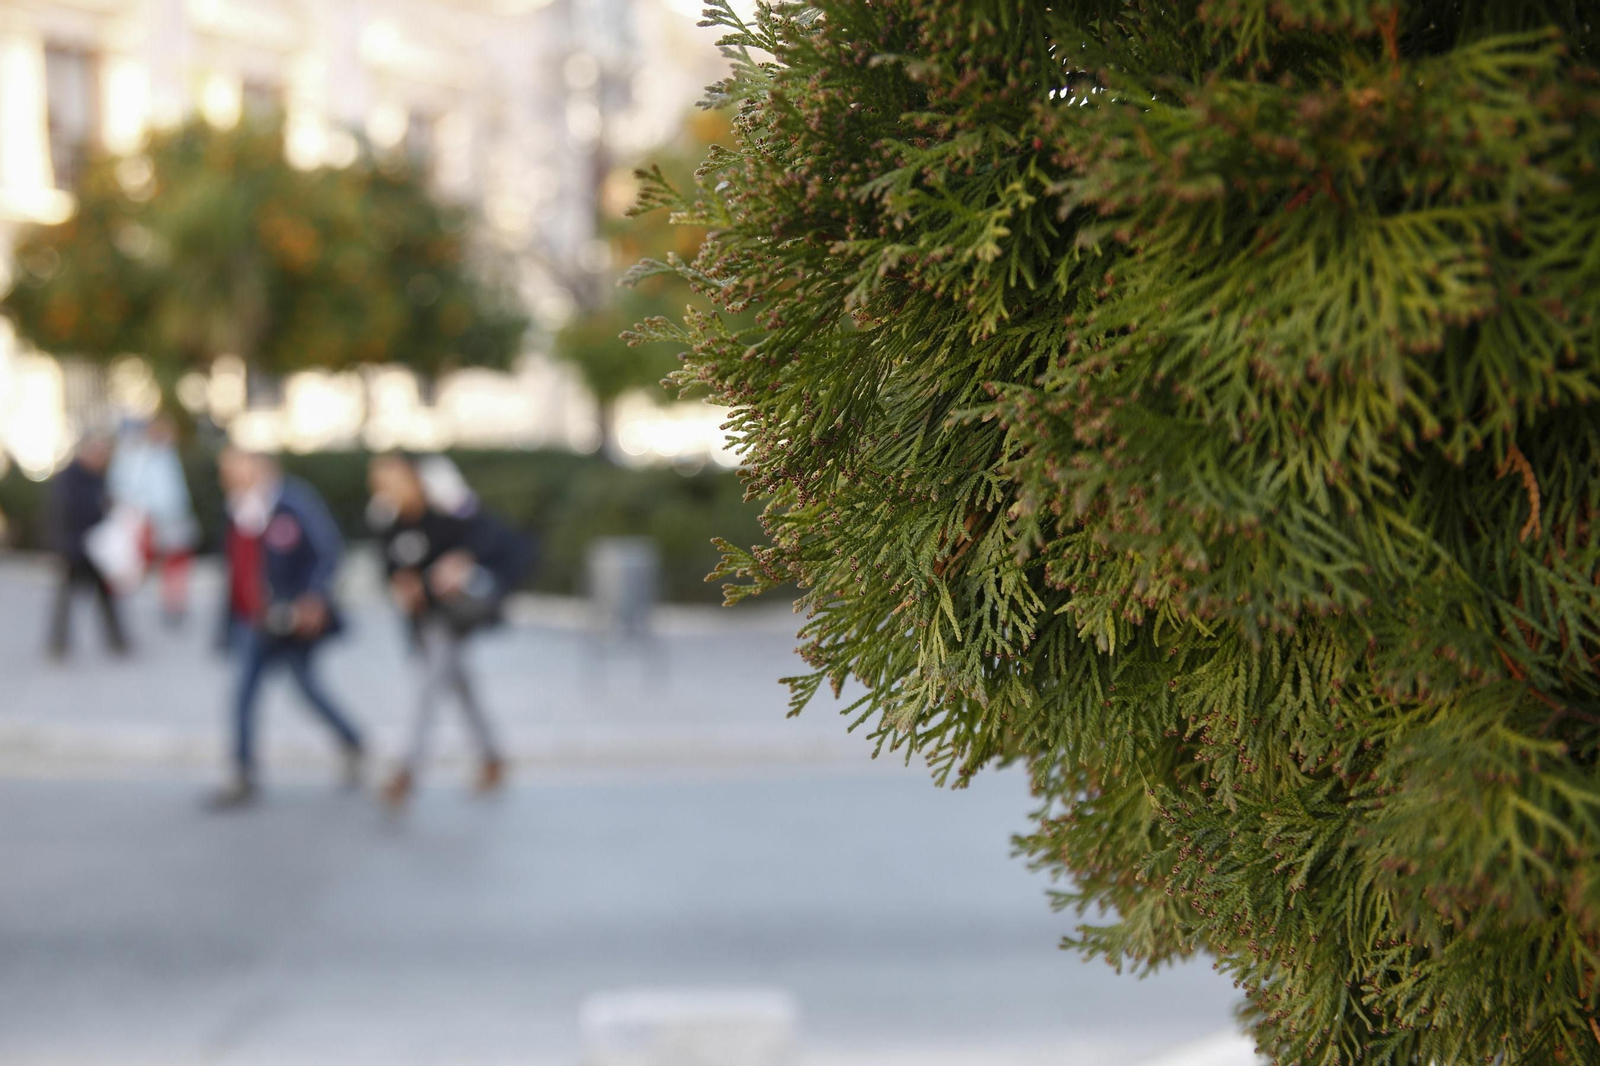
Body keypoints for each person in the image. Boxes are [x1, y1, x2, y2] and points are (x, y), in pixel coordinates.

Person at [367, 452, 529, 810]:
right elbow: (391, 567)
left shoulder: (445, 511)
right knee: (461, 686)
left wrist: (461, 562)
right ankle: (492, 756)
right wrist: (401, 585)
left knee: (428, 688)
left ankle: (407, 770)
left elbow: (492, 540)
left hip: (450, 618)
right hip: (422, 620)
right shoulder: (388, 520)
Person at [210, 446, 365, 809]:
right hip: (254, 621)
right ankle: (243, 771)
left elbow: (327, 551)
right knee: (244, 694)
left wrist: (313, 597)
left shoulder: (292, 503)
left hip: (292, 619)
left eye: (237, 469)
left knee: (308, 689)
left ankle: (352, 741)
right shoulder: (239, 510)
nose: (230, 478)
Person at [108, 415, 199, 624]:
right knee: (133, 563)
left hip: (171, 516)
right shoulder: (132, 454)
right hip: (145, 517)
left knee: (176, 562)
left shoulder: (165, 454)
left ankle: (174, 604)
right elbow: (125, 487)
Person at [45, 433, 129, 659]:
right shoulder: (69, 478)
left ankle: (118, 641)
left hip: (98, 547)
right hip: (74, 547)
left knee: (106, 597)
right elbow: (64, 513)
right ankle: (58, 645)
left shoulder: (98, 477)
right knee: (65, 599)